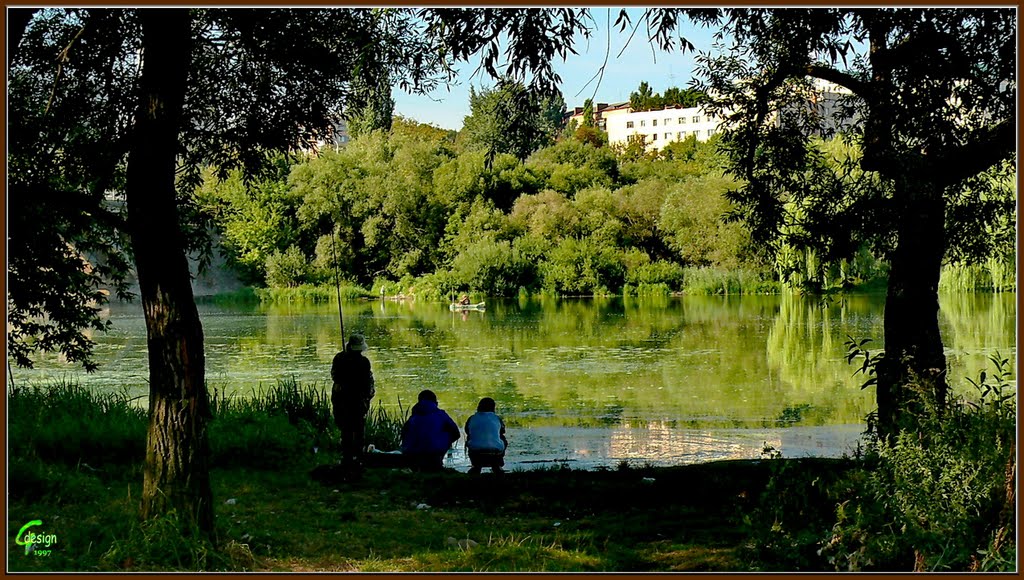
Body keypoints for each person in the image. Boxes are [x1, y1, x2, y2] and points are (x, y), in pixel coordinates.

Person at [331, 333, 375, 469]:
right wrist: (368, 397)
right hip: (357, 401)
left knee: (346, 430)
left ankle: (348, 458)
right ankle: (357, 458)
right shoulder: (363, 362)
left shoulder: (339, 358)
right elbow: (368, 384)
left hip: (342, 401)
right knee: (358, 429)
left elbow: (334, 376)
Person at [400, 390, 460, 471]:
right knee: (448, 432)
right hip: (435, 452)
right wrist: (443, 444)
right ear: (435, 402)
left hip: (413, 454)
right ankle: (437, 461)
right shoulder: (441, 415)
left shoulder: (413, 418)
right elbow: (456, 433)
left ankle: (416, 465)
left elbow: (403, 434)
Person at [464, 397, 508, 474]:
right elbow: (502, 431)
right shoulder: (497, 418)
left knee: (469, 438)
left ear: (479, 407)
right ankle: (497, 465)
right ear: (493, 408)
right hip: (495, 451)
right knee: (502, 438)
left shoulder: (472, 418)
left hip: (475, 451)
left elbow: (467, 431)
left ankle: (476, 465)